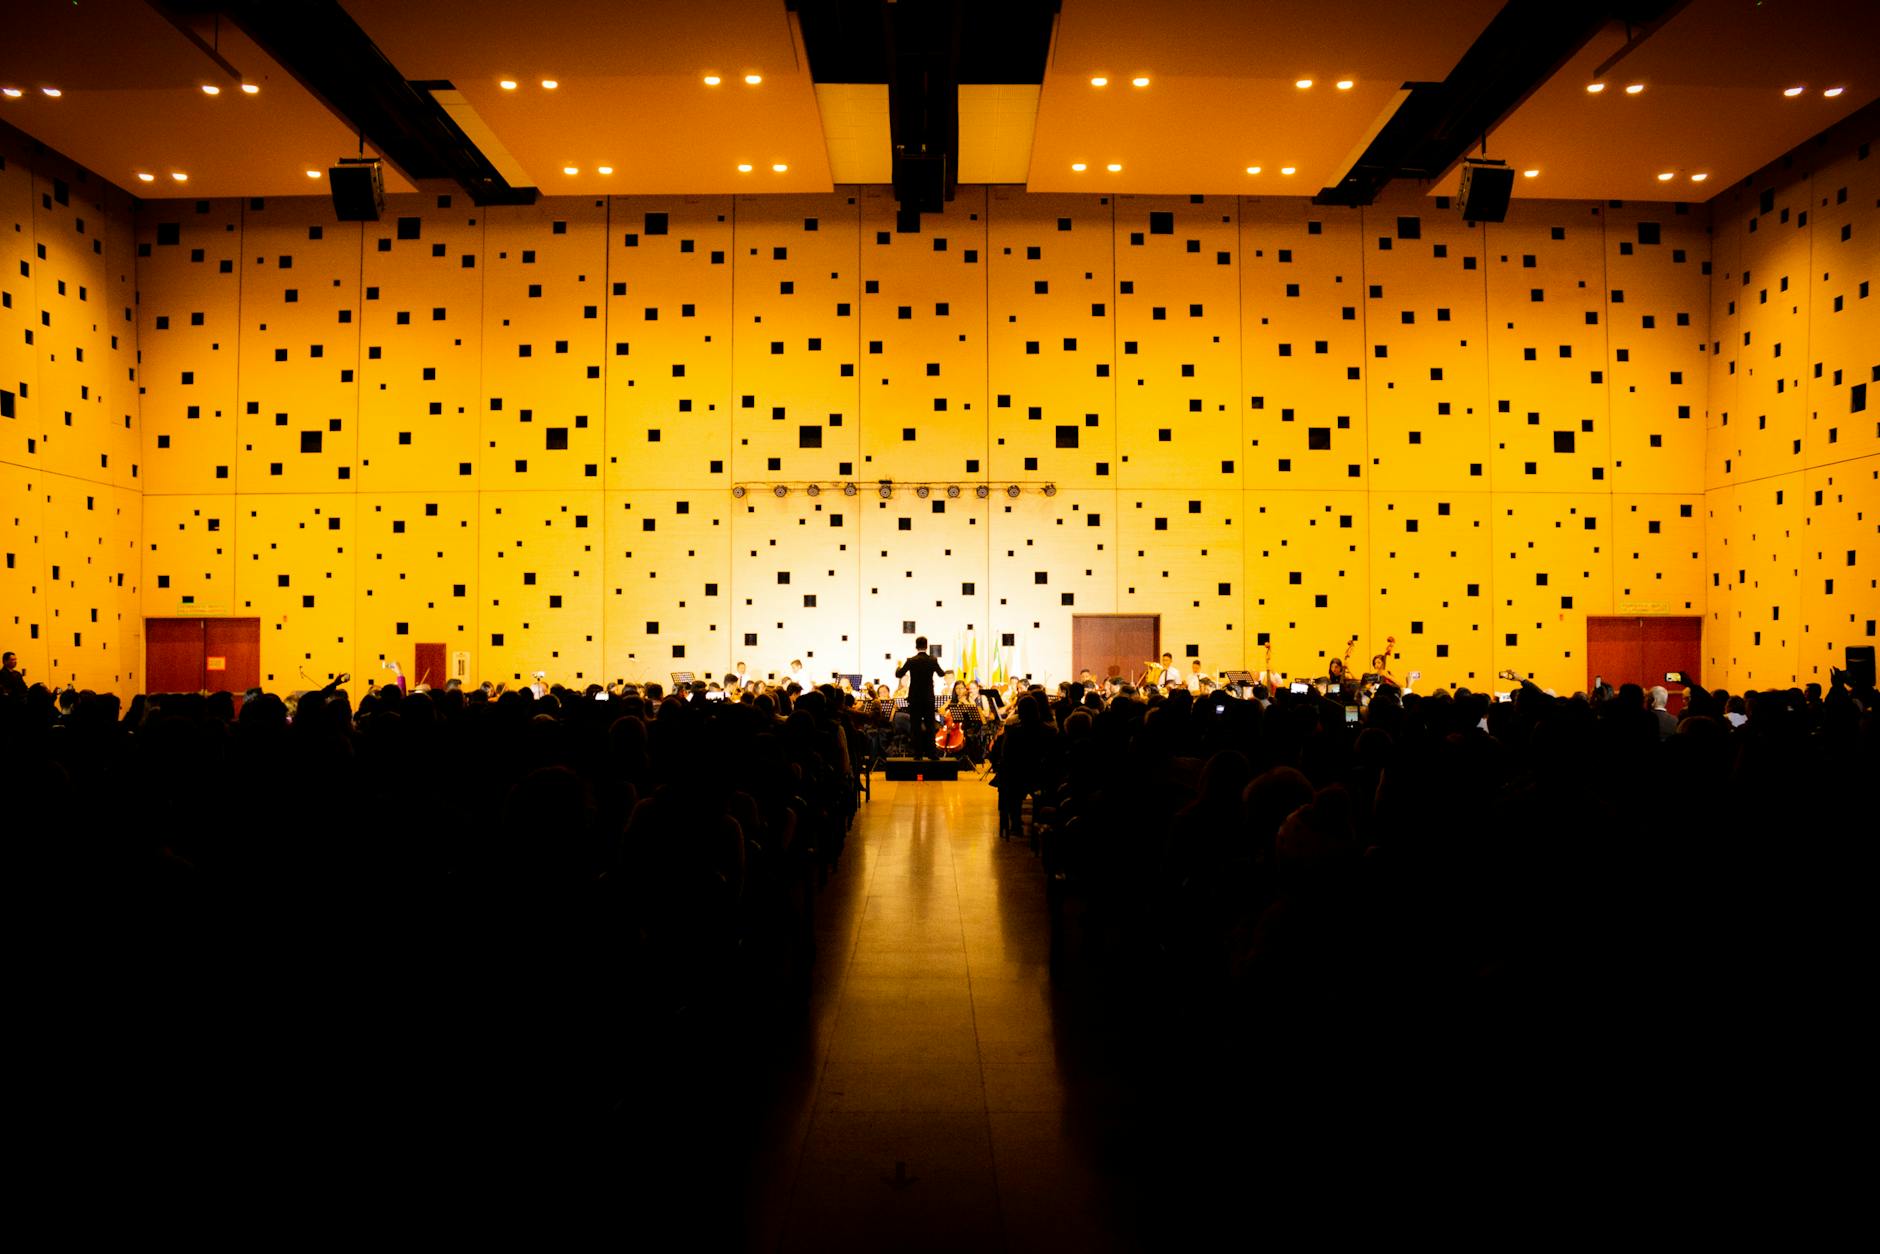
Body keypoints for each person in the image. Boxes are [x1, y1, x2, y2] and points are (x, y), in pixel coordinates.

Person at [895, 637, 944, 760]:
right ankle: (932, 754)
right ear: (926, 646)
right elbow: (941, 673)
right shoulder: (933, 660)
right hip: (928, 698)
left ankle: (918, 754)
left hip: (915, 699)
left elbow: (898, 674)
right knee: (930, 726)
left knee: (915, 726)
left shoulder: (911, 661)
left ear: (916, 646)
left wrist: (898, 666)